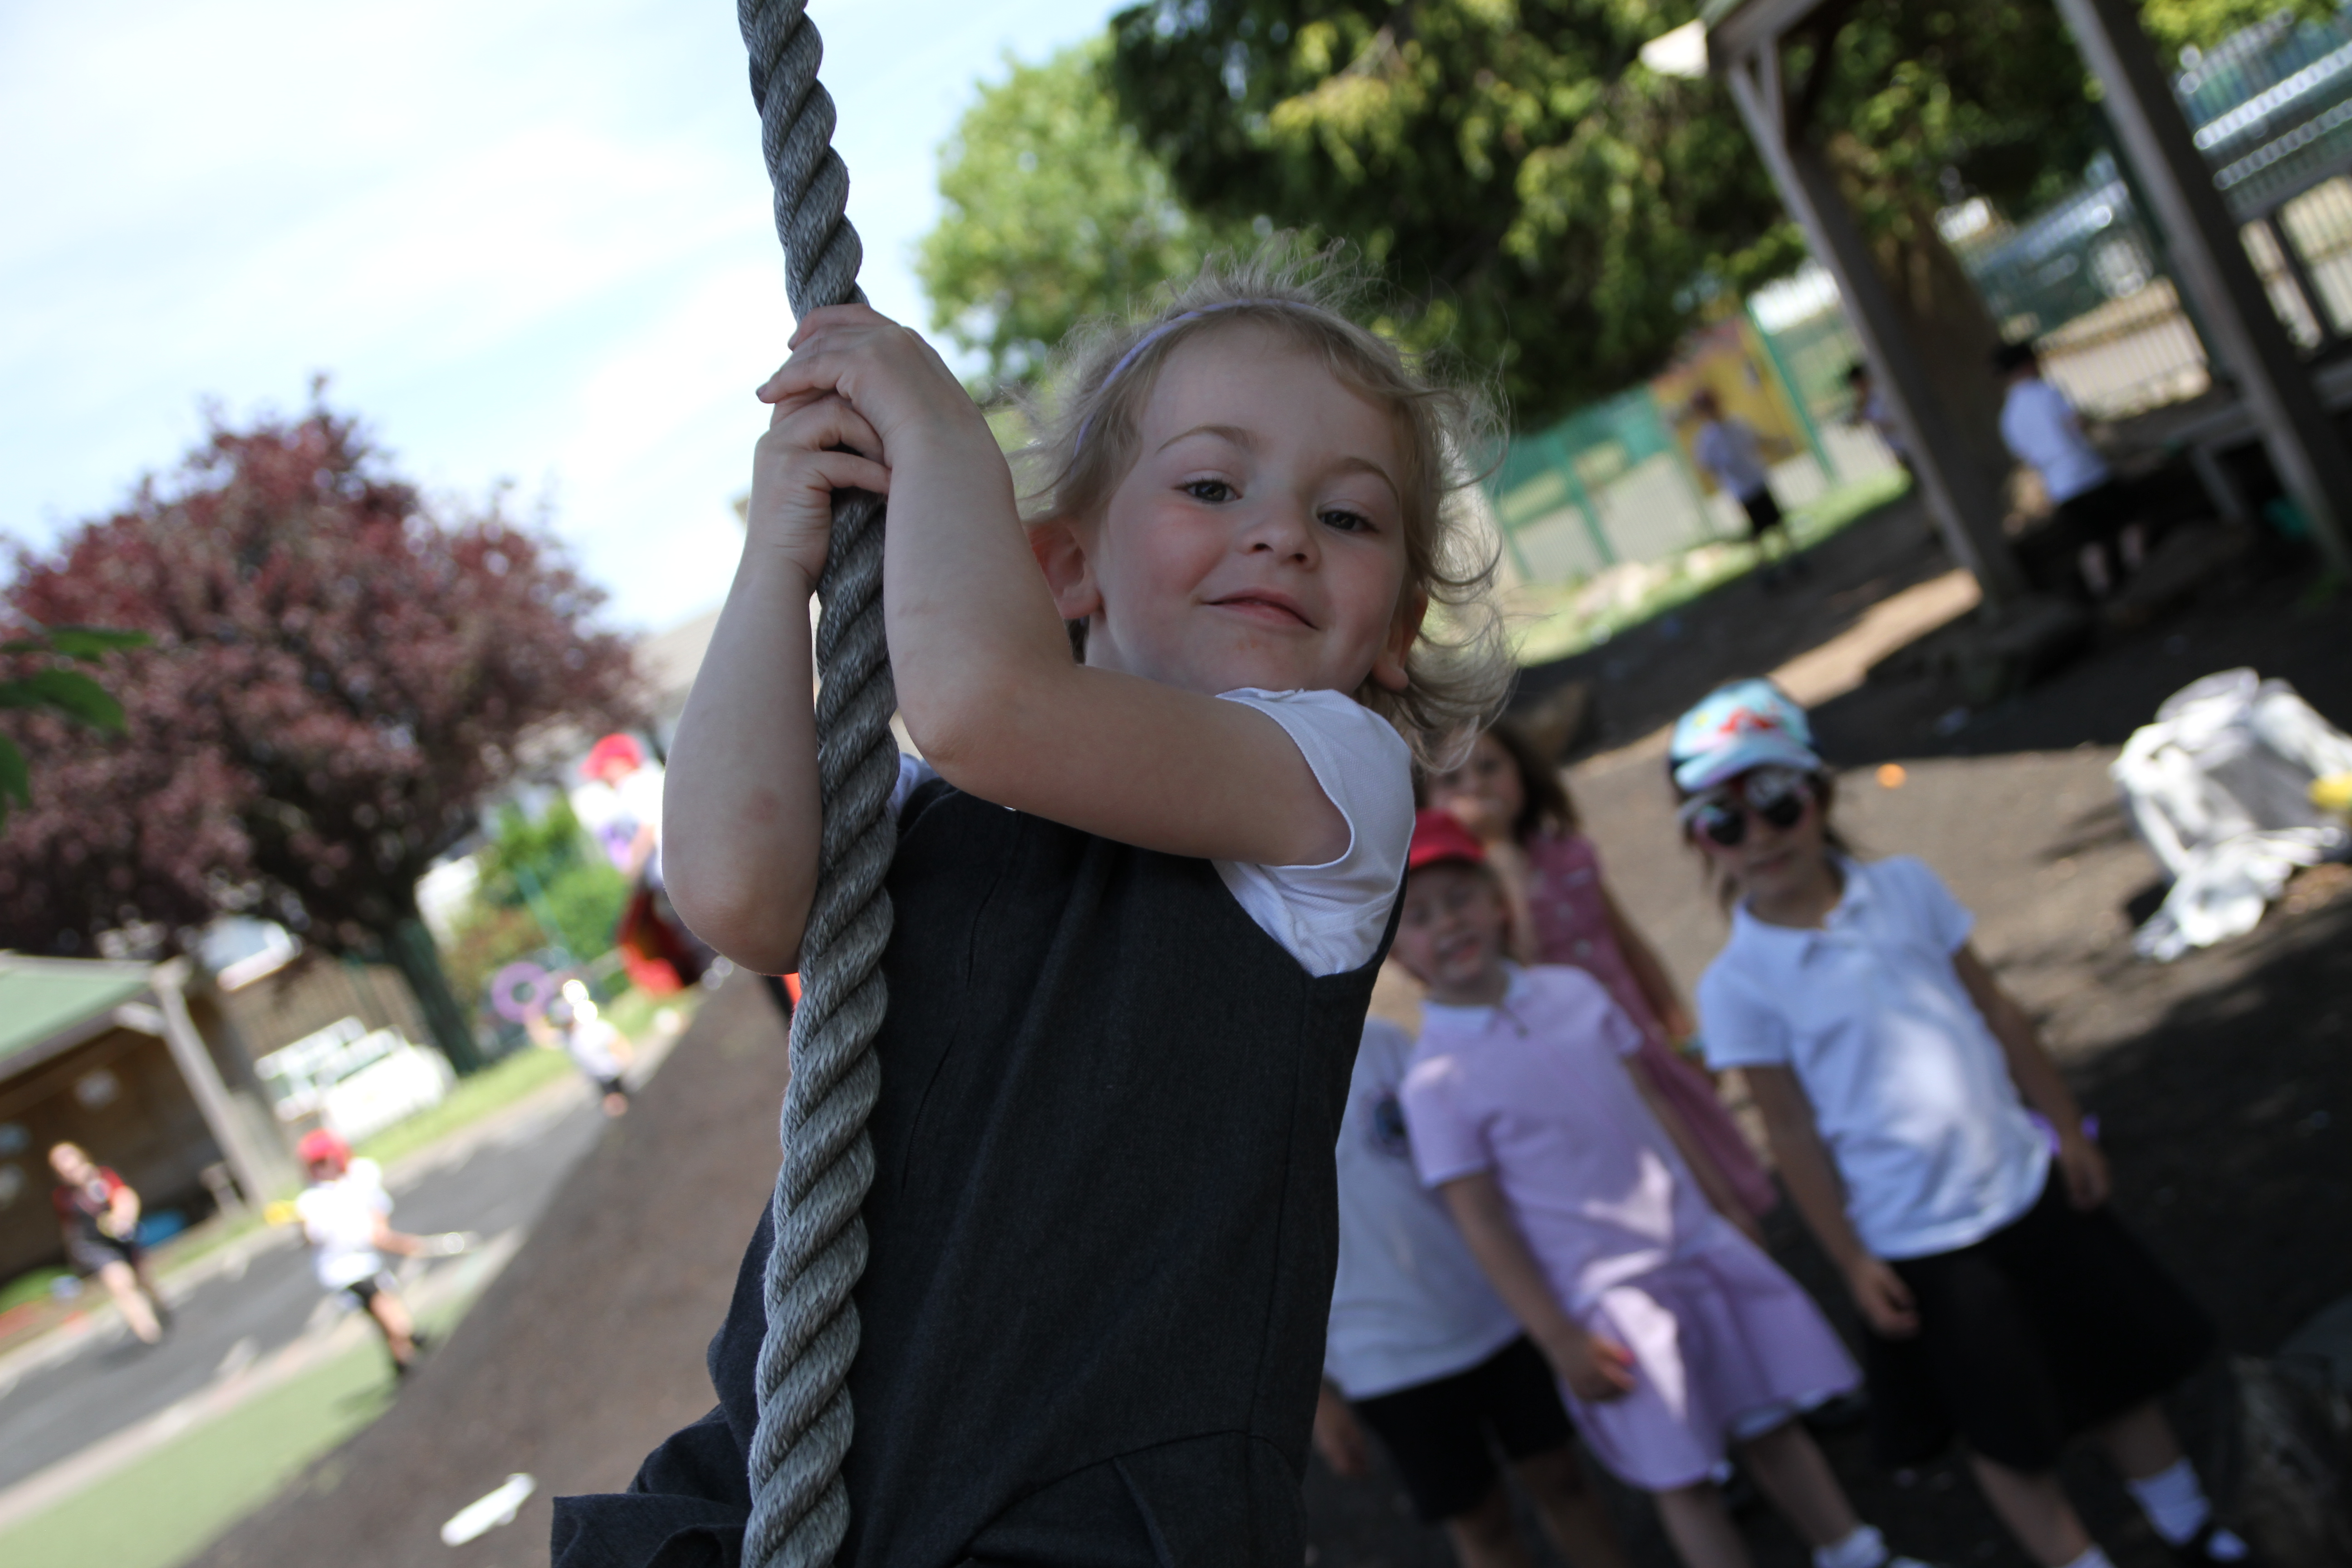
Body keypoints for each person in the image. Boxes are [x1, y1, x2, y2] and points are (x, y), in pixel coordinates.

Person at [554, 248, 1513, 1566]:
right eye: (1212, 485)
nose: (1283, 530)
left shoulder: (1332, 785)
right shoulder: (925, 807)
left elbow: (987, 703)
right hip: (790, 1465)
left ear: (1394, 631)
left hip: (1083, 1503)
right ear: (1067, 565)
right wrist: (777, 563)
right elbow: (734, 892)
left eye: (1348, 518)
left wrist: (944, 432)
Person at [1675, 678, 2244, 1568]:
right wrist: (1854, 1261)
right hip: (1921, 1240)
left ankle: (2191, 1526)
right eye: (1725, 819)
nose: (1760, 835)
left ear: (1819, 795)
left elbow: (2000, 1012)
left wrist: (2067, 1128)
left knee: (2114, 1374)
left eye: (1779, 802)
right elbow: (1788, 1134)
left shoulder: (1905, 890)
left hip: (2023, 1181)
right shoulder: (1738, 986)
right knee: (2004, 1429)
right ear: (1700, 840)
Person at [1392, 810, 1918, 1568]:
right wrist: (1558, 1336)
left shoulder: (1571, 992)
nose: (1446, 925)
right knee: (1687, 1478)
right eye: (1417, 917)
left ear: (1497, 901)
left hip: (1694, 1242)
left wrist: (1724, 1202)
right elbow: (1480, 1222)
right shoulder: (1432, 1083)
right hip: (1607, 1301)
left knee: (1770, 1423)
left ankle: (1854, 1552)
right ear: (1396, 952)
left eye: (1458, 899)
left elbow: (1654, 1104)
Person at [1424, 719, 1778, 1225]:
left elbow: (1630, 946)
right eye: (1452, 781)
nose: (1475, 787)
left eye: (1489, 767)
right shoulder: (1465, 903)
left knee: (1724, 1186)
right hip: (1590, 1073)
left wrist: (1683, 1034)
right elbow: (1515, 965)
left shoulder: (1566, 854)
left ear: (1521, 771)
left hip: (1643, 1044)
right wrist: (1500, 856)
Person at [1319, 1014, 1632, 1568]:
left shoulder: (1378, 1041)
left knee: (1562, 1478)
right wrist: (1318, 1401)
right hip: (1383, 1359)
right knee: (1481, 1520)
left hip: (1493, 1308)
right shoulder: (1211, 1101)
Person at [1993, 341, 2145, 599]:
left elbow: (2024, 455)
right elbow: (2077, 423)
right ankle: (2143, 574)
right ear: (2029, 365)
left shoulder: (2008, 416)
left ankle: (2103, 592)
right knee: (2131, 521)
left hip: (2059, 485)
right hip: (2089, 472)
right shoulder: (2047, 393)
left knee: (2090, 541)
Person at [293, 1128, 435, 1379]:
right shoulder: (311, 1201)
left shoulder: (356, 1181)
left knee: (381, 1309)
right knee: (381, 1300)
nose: (320, 1168)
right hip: (341, 1271)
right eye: (315, 1164)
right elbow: (311, 1236)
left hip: (367, 1262)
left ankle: (402, 1361)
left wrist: (400, 1243)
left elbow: (378, 1227)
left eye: (324, 1161)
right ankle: (411, 1334)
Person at [49, 1142, 169, 1344]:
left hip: (120, 1235)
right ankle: (148, 1331)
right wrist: (73, 1254)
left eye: (68, 1158)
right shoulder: (63, 1197)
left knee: (142, 1278)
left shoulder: (103, 1177)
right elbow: (69, 1227)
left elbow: (126, 1197)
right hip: (96, 1245)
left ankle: (159, 1306)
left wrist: (122, 1218)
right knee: (120, 1283)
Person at [1689, 388, 1803, 585]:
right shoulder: (1707, 439)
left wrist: (1778, 445)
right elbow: (1705, 465)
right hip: (1742, 489)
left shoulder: (1736, 424)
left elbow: (1757, 439)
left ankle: (1791, 558)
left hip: (1756, 479)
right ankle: (1765, 567)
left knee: (1777, 522)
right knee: (1757, 531)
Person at [529, 978, 634, 1117]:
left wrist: (626, 1058)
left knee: (623, 1102)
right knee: (616, 1106)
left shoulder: (592, 1028)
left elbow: (615, 1040)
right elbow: (544, 1038)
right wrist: (532, 1015)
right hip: (599, 1078)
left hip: (612, 1071)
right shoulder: (566, 1038)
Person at [1843, 363, 1910, 475]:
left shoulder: (1881, 394)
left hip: (1906, 441)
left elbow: (1894, 420)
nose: (1858, 389)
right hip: (1897, 446)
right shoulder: (1867, 401)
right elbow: (1855, 422)